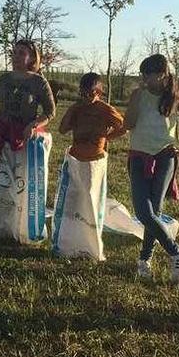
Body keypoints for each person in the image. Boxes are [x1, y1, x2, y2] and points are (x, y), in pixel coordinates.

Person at [125, 54, 179, 285]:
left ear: (161, 74)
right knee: (143, 211)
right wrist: (135, 99)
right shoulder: (139, 95)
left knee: (155, 212)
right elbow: (128, 124)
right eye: (142, 74)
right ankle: (177, 251)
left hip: (165, 158)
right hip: (139, 157)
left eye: (147, 74)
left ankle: (144, 262)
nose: (144, 78)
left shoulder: (175, 99)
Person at [0, 40, 56, 242]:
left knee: (22, 184)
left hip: (25, 140)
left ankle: (20, 226)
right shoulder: (4, 79)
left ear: (31, 57)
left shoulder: (38, 82)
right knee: (2, 183)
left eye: (21, 53)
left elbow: (50, 111)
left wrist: (34, 124)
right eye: (14, 52)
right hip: (3, 137)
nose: (15, 56)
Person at [53, 72, 124, 259]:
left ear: (98, 92)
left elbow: (122, 126)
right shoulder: (77, 108)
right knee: (74, 201)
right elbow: (62, 129)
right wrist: (73, 109)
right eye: (82, 94)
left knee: (91, 202)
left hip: (95, 161)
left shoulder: (105, 109)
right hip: (76, 159)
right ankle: (69, 241)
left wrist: (107, 137)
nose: (85, 98)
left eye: (90, 94)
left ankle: (89, 241)